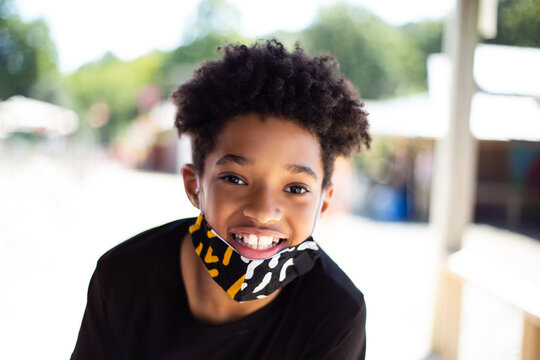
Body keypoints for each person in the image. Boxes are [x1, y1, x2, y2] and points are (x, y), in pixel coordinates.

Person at [71, 39, 371, 360]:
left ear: (323, 203)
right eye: (235, 179)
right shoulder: (122, 277)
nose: (263, 211)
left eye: (296, 188)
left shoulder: (335, 313)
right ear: (194, 185)